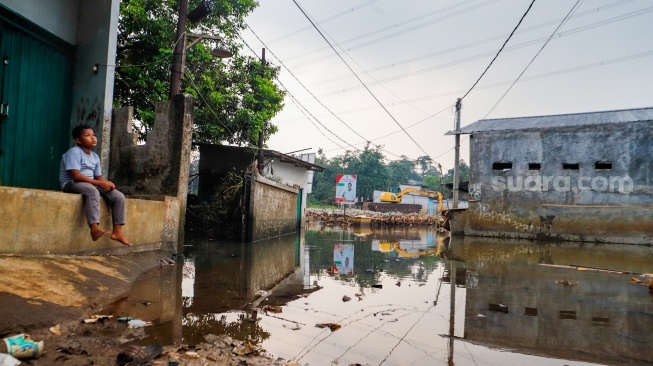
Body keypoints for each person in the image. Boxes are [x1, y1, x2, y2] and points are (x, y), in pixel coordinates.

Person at [59, 125, 131, 246]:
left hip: (90, 183)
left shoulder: (95, 156)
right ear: (78, 140)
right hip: (71, 183)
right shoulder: (74, 152)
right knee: (92, 191)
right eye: (87, 135)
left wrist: (106, 183)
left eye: (93, 135)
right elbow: (76, 176)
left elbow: (98, 177)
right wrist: (99, 184)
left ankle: (117, 232)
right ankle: (94, 228)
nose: (92, 138)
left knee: (118, 196)